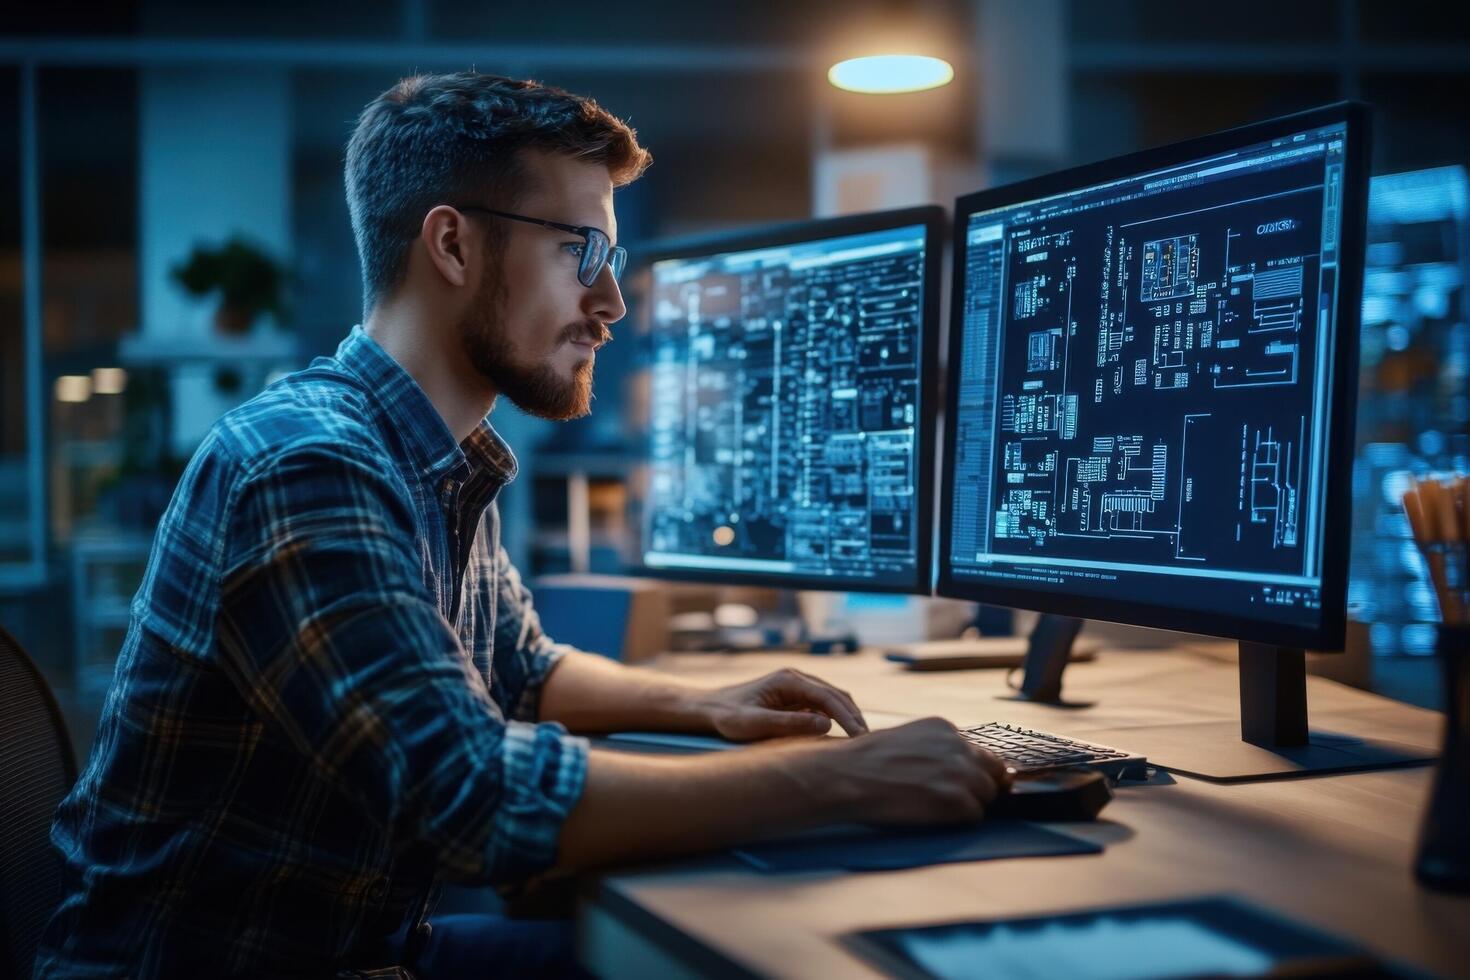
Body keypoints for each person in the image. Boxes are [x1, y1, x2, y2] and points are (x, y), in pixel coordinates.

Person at [36, 72, 1009, 979]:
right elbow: (474, 795)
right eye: (580, 251)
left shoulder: (440, 452)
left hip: (365, 939)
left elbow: (524, 668)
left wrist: (707, 704)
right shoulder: (309, 465)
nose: (613, 302)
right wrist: (845, 776)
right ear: (453, 244)